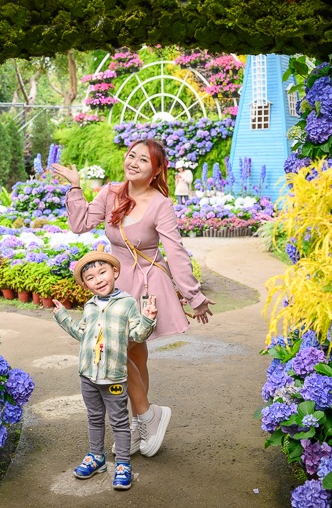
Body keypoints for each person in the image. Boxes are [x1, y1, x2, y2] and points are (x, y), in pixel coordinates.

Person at [52, 139, 214, 458]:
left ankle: (142, 420)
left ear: (155, 172)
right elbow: (79, 223)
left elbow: (175, 251)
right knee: (126, 356)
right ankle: (145, 418)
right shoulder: (111, 192)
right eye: (131, 155)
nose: (134, 162)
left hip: (145, 283)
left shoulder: (160, 204)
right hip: (115, 282)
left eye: (144, 159)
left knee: (129, 356)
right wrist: (74, 187)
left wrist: (193, 295)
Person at [53, 251, 158, 491]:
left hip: (114, 376)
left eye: (103, 272)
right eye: (90, 277)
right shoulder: (89, 306)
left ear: (115, 273)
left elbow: (136, 335)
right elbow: (82, 334)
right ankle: (96, 456)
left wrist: (148, 319)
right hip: (88, 374)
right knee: (94, 417)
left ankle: (122, 464)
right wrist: (62, 317)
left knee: (119, 421)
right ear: (85, 284)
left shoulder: (128, 303)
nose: (98, 279)